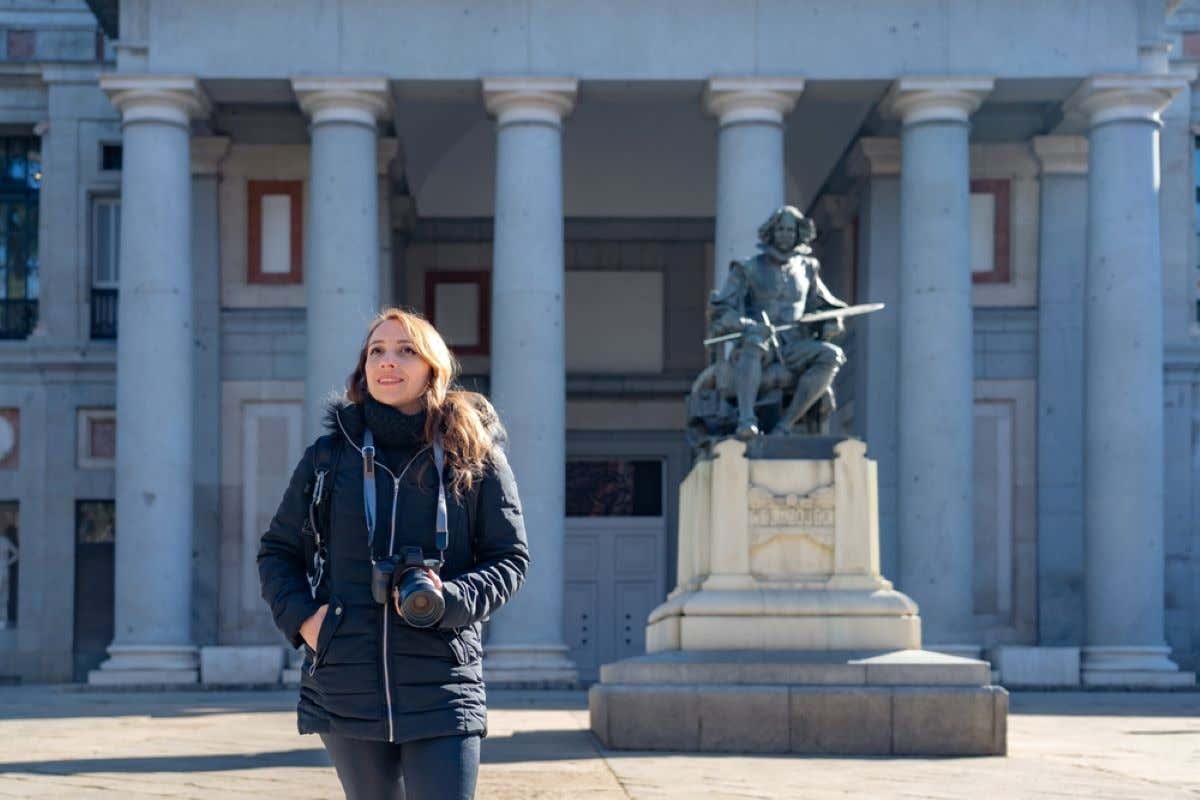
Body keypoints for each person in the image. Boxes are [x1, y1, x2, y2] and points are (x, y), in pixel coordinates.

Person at [257, 307, 530, 800]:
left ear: (434, 369)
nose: (388, 361)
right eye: (376, 351)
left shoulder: (476, 455)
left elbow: (509, 558)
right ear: (362, 369)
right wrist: (306, 622)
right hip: (346, 681)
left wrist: (449, 598)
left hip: (444, 680)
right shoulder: (328, 457)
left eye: (407, 351)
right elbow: (277, 552)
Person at [707, 205, 848, 439]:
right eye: (780, 229)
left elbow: (826, 307)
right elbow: (722, 310)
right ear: (771, 233)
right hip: (759, 344)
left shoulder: (808, 269)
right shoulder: (747, 268)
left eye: (790, 230)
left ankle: (786, 425)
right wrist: (747, 325)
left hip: (795, 347)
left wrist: (832, 322)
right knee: (755, 341)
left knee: (832, 355)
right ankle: (746, 420)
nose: (785, 235)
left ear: (798, 234)